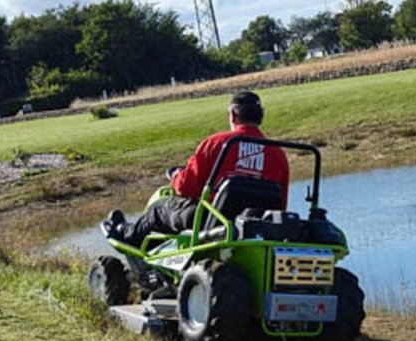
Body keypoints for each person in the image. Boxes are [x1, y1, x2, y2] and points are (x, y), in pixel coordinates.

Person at [107, 91, 290, 245]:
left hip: (209, 222)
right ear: (261, 117)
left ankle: (128, 235)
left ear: (233, 115)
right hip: (256, 227)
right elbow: (280, 206)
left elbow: (186, 188)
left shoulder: (216, 144)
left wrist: (177, 176)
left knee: (158, 209)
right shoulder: (278, 154)